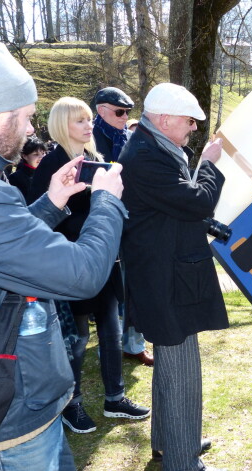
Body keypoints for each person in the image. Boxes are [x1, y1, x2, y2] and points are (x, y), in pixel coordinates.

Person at [0, 41, 126, 470]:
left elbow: (10, 245)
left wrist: (52, 202)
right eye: (26, 117)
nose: (30, 129)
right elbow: (82, 273)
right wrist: (107, 200)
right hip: (14, 423)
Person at [118, 83, 227, 471]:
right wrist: (211, 164)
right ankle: (184, 461)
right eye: (188, 121)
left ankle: (169, 441)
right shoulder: (147, 155)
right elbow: (196, 200)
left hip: (166, 274)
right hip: (165, 280)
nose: (194, 129)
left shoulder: (153, 146)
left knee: (170, 363)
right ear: (164, 119)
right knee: (182, 373)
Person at [28, 97, 150, 434]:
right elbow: (41, 222)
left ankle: (115, 398)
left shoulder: (95, 159)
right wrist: (94, 216)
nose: (87, 126)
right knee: (78, 338)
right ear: (61, 125)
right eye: (79, 121)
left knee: (111, 332)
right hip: (70, 265)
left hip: (106, 263)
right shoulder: (53, 165)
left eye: (87, 120)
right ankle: (72, 404)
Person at [92, 87, 153, 367]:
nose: (124, 116)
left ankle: (133, 344)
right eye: (119, 112)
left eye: (127, 112)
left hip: (132, 222)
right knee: (108, 291)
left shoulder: (129, 138)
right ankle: (109, 344)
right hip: (101, 224)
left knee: (135, 285)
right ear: (101, 111)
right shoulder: (89, 141)